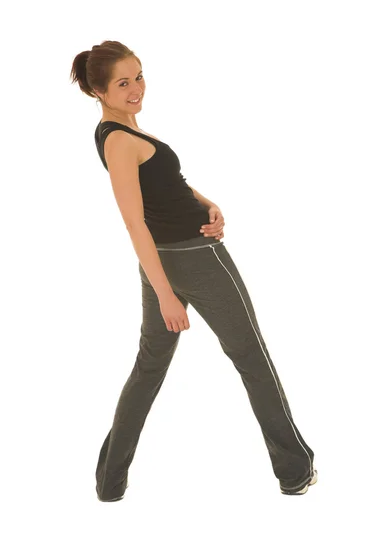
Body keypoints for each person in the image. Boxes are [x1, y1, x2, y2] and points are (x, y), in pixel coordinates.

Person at [70, 40, 317, 501]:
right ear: (99, 91)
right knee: (252, 357)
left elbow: (165, 186)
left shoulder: (124, 129)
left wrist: (206, 202)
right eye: (123, 83)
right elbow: (133, 220)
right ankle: (295, 469)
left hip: (167, 256)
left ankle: (109, 482)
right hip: (194, 260)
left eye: (139, 76)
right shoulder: (120, 139)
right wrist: (165, 293)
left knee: (149, 367)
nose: (136, 88)